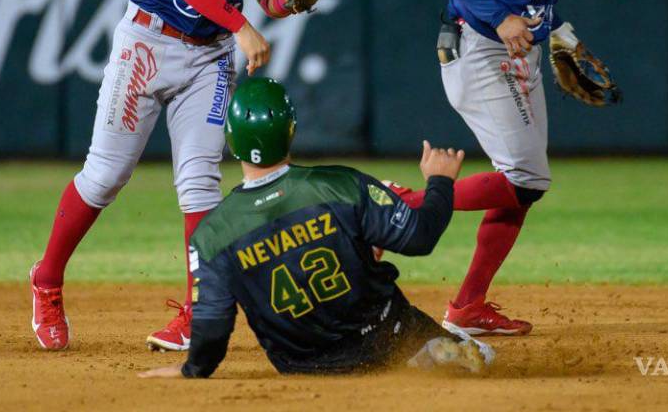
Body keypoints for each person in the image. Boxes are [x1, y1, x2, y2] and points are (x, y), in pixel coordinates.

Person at [30, 0, 313, 353]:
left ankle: (199, 310)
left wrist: (291, 1)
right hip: (148, 43)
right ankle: (47, 279)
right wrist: (244, 27)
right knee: (105, 175)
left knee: (200, 179)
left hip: (207, 57)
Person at [137, 78, 494, 378]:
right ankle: (434, 351)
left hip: (302, 368)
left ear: (231, 140)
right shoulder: (339, 185)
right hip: (390, 340)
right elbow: (420, 236)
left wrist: (192, 369)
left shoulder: (212, 233)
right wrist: (440, 183)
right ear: (291, 130)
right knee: (485, 359)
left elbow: (212, 327)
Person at [419, 0, 599, 337]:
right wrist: (499, 18)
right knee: (526, 176)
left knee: (523, 186)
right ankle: (402, 204)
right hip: (481, 46)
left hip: (520, 49)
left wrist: (559, 33)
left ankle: (467, 306)